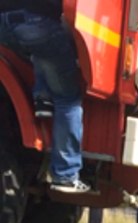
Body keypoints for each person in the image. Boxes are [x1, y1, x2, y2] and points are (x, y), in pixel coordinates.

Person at [0, 0, 88, 192]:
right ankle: (65, 175)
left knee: (40, 49)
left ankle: (42, 97)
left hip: (5, 23)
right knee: (68, 99)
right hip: (39, 22)